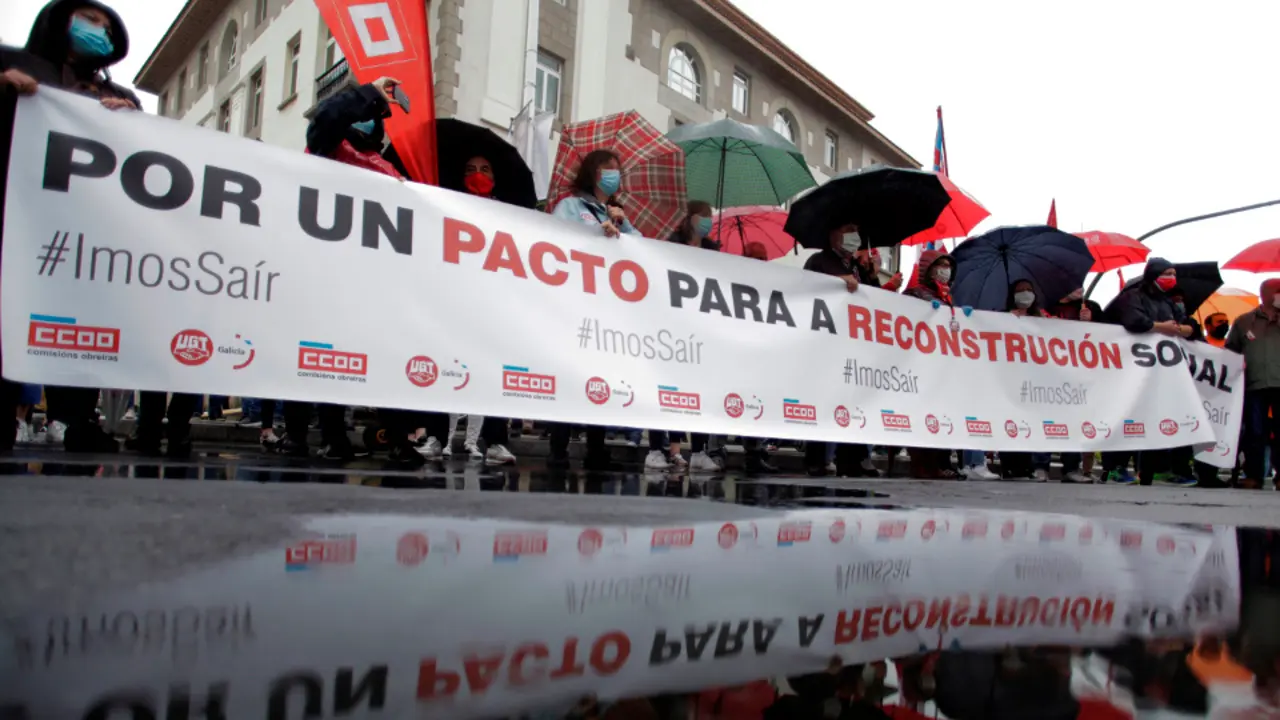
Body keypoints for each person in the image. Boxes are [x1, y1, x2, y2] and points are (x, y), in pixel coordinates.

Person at [1, 0, 143, 454]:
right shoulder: (12, 63)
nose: (96, 31)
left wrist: (130, 122)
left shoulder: (116, 93)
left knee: (79, 326)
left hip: (84, 231)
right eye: (88, 20)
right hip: (15, 214)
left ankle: (78, 419)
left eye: (104, 25)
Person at [297, 78, 420, 467]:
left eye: (376, 117)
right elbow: (328, 119)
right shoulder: (327, 148)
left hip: (378, 279)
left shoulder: (388, 167)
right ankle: (331, 438)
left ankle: (399, 439)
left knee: (385, 358)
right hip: (328, 272)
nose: (371, 121)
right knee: (326, 356)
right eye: (367, 115)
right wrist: (369, 95)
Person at [411, 153, 520, 465]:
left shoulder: (505, 214)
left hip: (491, 304)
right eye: (470, 169)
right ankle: (434, 437)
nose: (478, 174)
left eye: (485, 169)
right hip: (453, 301)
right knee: (443, 369)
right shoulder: (446, 205)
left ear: (495, 178)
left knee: (491, 373)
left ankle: (496, 441)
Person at [547, 150, 639, 469]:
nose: (614, 174)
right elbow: (554, 241)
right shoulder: (570, 206)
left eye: (617, 169)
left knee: (599, 375)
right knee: (569, 375)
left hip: (605, 310)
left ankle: (596, 445)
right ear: (592, 172)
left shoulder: (618, 215)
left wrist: (623, 229)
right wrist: (595, 233)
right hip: (574, 304)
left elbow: (642, 251)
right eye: (607, 169)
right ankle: (558, 447)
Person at [1104, 258, 1197, 486]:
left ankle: (1156, 469)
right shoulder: (1132, 297)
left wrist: (1180, 329)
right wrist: (1161, 328)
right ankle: (1115, 467)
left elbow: (1190, 326)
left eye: (1173, 273)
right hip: (1130, 367)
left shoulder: (1168, 301)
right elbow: (1134, 321)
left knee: (1160, 416)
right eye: (1167, 273)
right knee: (1128, 416)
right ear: (1154, 274)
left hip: (1160, 369)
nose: (1171, 278)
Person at [644, 201, 722, 472]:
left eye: (711, 217)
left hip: (701, 331)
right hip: (673, 329)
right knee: (666, 389)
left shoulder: (714, 250)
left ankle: (699, 450)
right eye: (703, 217)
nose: (708, 222)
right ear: (690, 218)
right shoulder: (671, 244)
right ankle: (656, 448)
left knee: (698, 393)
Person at [801, 223, 878, 478]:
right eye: (848, 229)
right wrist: (835, 282)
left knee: (853, 401)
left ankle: (853, 459)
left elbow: (873, 301)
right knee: (824, 400)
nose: (854, 235)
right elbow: (805, 289)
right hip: (825, 342)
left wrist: (873, 275)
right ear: (833, 234)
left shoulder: (855, 265)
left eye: (857, 229)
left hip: (852, 344)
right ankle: (818, 459)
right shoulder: (819, 261)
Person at [902, 249, 962, 480]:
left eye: (948, 266)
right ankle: (919, 463)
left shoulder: (948, 298)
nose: (945, 270)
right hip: (919, 362)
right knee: (921, 414)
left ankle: (935, 463)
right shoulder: (914, 293)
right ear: (929, 268)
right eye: (941, 265)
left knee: (939, 414)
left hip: (942, 366)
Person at [1227, 278, 1280, 490]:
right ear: (1265, 294)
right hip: (1253, 385)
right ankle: (1254, 475)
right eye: (1278, 290)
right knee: (1254, 432)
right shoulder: (1244, 321)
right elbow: (1230, 351)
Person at [999, 280, 1053, 482]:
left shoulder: (1042, 318)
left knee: (1030, 423)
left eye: (1029, 290)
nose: (1025, 294)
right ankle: (1010, 466)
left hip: (1034, 379)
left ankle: (1027, 466)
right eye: (1020, 291)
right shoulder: (1002, 317)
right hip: (1010, 378)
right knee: (1011, 421)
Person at [1050, 288, 1104, 483]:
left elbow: (1109, 332)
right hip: (1051, 372)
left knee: (1077, 420)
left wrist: (1092, 320)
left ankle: (1073, 468)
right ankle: (1038, 465)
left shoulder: (1091, 307)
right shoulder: (1048, 304)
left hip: (1082, 374)